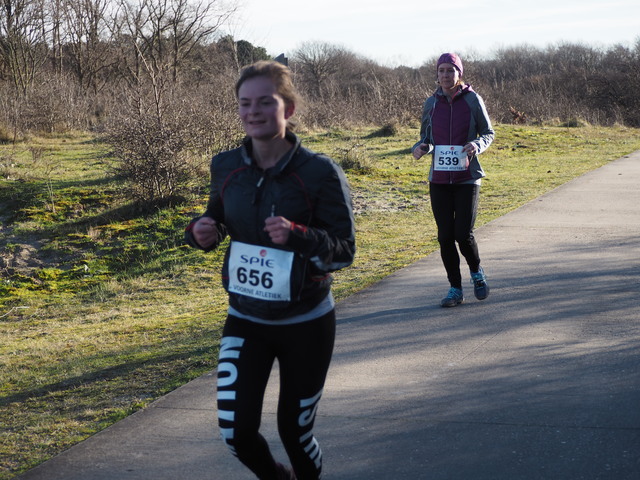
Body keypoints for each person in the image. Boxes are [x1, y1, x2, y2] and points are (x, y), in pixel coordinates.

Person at [184, 60, 356, 480]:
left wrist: (298, 235)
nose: (253, 111)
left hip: (307, 323)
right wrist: (199, 231)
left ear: (289, 108)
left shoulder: (319, 173)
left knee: (294, 432)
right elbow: (217, 218)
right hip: (246, 319)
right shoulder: (225, 166)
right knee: (235, 432)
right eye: (245, 103)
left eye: (265, 101)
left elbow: (345, 252)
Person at [411, 53, 495, 307]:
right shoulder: (431, 103)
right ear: (436, 75)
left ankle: (477, 273)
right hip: (439, 179)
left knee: (463, 234)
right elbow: (424, 137)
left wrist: (476, 144)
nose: (446, 75)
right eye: (442, 71)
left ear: (459, 74)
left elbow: (488, 132)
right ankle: (455, 289)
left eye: (451, 70)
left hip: (467, 177)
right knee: (445, 236)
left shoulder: (472, 99)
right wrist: (419, 147)